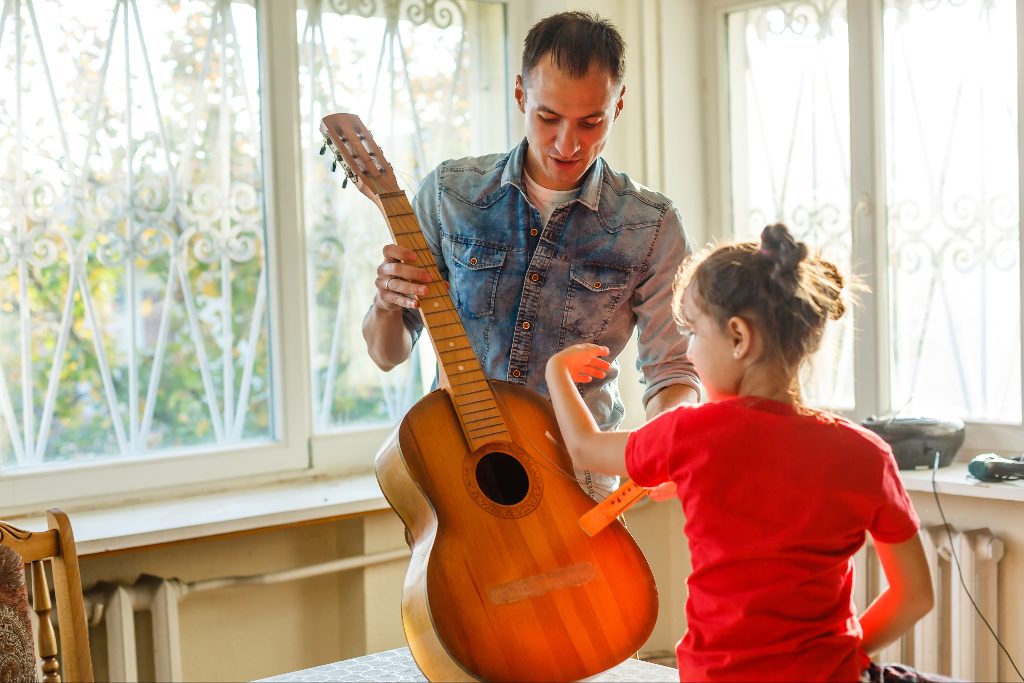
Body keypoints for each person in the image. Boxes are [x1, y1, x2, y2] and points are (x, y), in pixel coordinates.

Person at [545, 224, 946, 682]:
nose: (689, 353)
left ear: (738, 336)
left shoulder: (690, 435)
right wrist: (839, 658)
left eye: (693, 333)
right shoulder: (866, 454)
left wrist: (558, 371)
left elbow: (585, 448)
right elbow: (915, 596)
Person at [362, 11, 700, 499]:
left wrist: (666, 442)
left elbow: (673, 371)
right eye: (548, 118)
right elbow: (387, 354)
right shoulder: (448, 196)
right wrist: (386, 304)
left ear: (618, 105)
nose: (567, 144)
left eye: (591, 122)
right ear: (521, 95)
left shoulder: (652, 226)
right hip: (458, 482)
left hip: (578, 489)